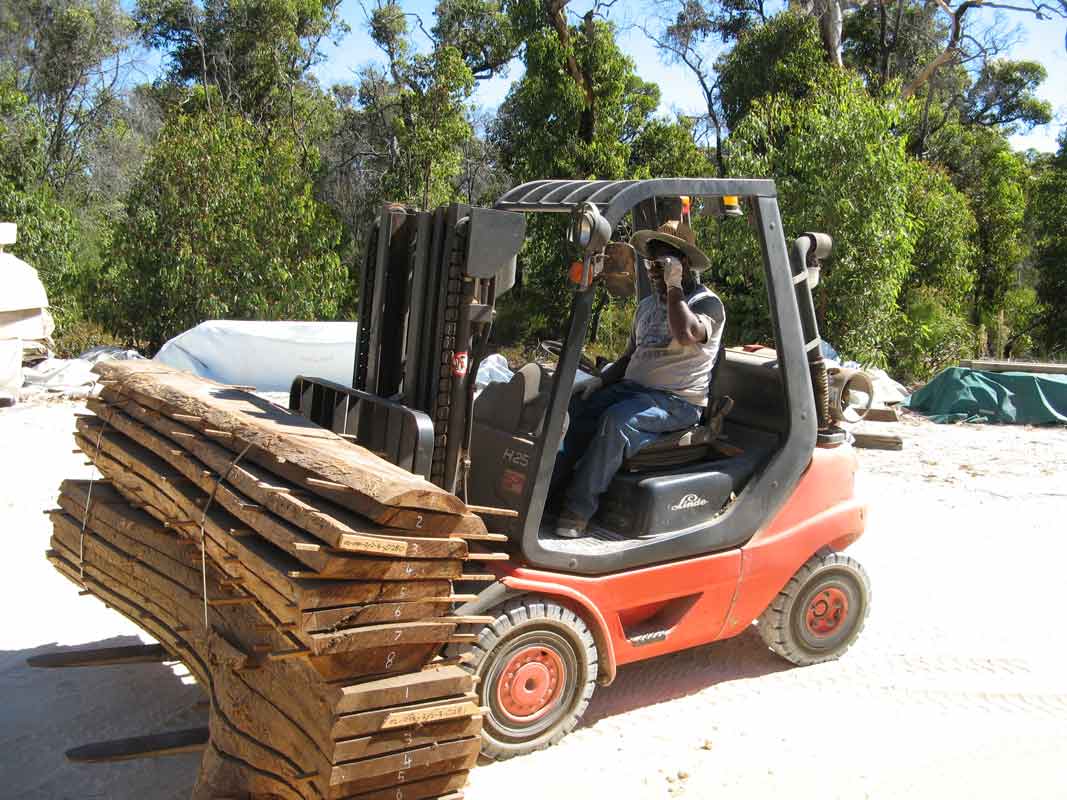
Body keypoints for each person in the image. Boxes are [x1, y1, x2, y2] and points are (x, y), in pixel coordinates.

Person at [552, 219, 726, 538]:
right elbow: (631, 356)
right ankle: (548, 492)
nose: (654, 272)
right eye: (650, 263)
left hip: (677, 402)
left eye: (663, 264)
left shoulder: (707, 304)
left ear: (683, 264)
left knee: (617, 422)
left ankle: (577, 511)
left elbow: (686, 333)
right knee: (574, 409)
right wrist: (600, 381)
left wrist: (674, 288)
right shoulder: (647, 306)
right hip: (633, 390)